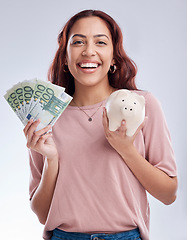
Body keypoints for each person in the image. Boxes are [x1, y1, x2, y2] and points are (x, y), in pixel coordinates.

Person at [24, 9, 178, 240]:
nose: (89, 51)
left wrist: (127, 150)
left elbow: (168, 194)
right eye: (78, 42)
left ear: (114, 56)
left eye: (100, 42)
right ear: (65, 57)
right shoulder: (47, 115)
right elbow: (42, 214)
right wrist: (51, 160)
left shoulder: (143, 104)